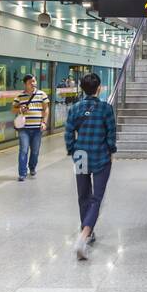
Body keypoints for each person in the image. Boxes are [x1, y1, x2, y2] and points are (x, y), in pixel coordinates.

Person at [64, 72, 116, 260]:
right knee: (96, 198)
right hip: (100, 155)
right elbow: (111, 134)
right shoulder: (105, 109)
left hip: (80, 155)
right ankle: (84, 234)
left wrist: (72, 149)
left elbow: (68, 132)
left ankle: (85, 230)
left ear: (82, 88)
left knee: (83, 195)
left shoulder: (75, 108)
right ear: (99, 88)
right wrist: (111, 150)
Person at [15, 73, 49, 181]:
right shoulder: (20, 96)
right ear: (25, 84)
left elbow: (46, 109)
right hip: (23, 129)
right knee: (23, 150)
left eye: (34, 81)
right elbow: (13, 109)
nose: (33, 84)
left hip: (37, 129)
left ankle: (32, 167)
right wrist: (20, 109)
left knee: (35, 151)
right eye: (30, 82)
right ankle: (22, 173)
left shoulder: (42, 94)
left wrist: (44, 122)